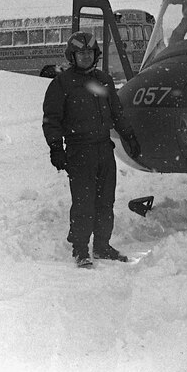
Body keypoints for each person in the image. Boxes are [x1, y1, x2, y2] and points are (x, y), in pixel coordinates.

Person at [42, 31, 142, 268]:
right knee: (83, 202)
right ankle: (80, 249)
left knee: (105, 201)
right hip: (79, 152)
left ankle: (102, 246)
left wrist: (129, 136)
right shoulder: (62, 84)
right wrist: (56, 147)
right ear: (72, 56)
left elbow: (117, 113)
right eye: (80, 53)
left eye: (89, 53)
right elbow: (52, 119)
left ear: (95, 55)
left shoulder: (104, 80)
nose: (85, 57)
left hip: (104, 149)